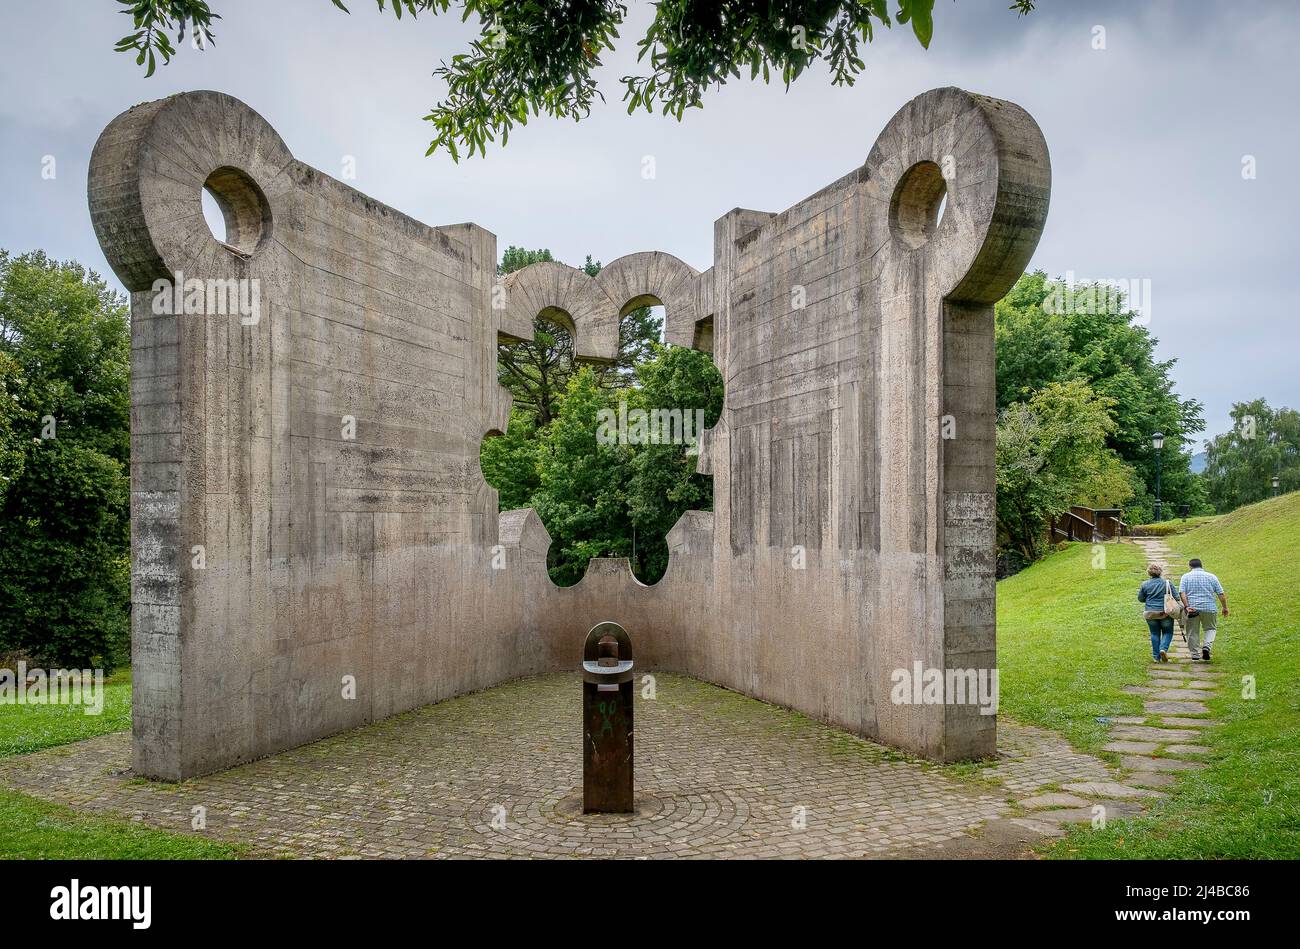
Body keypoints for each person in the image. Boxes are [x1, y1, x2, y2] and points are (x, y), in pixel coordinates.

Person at [1179, 558, 1228, 662]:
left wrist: (1187, 606)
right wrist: (1224, 607)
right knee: (1210, 628)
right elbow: (1221, 594)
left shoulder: (1185, 577)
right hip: (1209, 608)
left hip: (1192, 609)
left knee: (1192, 632)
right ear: (1201, 565)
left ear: (1190, 566)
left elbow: (1182, 593)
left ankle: (1195, 655)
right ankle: (1206, 647)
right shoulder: (1212, 577)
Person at [1138, 563, 1176, 662]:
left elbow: (1141, 599)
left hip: (1150, 613)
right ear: (1160, 572)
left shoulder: (1144, 584)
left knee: (1154, 633)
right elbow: (1176, 597)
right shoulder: (1167, 583)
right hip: (1165, 612)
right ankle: (1163, 649)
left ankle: (1156, 657)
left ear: (1149, 573)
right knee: (1168, 632)